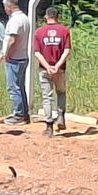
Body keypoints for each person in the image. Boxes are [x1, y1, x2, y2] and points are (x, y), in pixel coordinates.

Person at [0, 0, 32, 125]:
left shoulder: (15, 20)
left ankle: (19, 114)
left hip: (15, 58)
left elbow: (12, 40)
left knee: (13, 87)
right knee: (19, 86)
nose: (5, 9)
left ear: (9, 6)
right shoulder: (24, 18)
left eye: (5, 7)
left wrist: (6, 54)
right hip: (22, 56)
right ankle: (24, 113)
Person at [33, 7, 71, 137]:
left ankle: (49, 126)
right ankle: (60, 116)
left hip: (44, 69)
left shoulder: (39, 32)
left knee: (47, 97)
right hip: (60, 68)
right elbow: (67, 50)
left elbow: (37, 52)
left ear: (46, 16)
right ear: (57, 16)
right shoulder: (64, 30)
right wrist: (57, 65)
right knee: (60, 92)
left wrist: (47, 66)